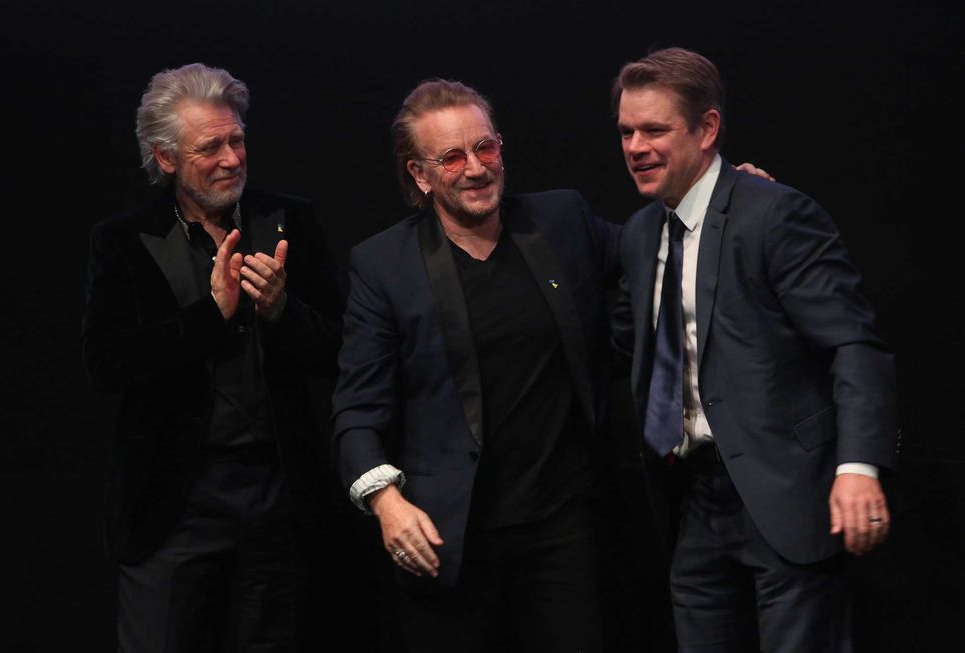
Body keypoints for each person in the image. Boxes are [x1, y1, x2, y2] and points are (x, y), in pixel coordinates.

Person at [611, 47, 898, 651]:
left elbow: (854, 345)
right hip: (691, 500)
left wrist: (858, 467)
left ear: (707, 128)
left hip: (788, 494)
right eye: (627, 131)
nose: (636, 146)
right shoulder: (640, 235)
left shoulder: (773, 214)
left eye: (654, 130)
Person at [331, 78, 617, 652]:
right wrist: (386, 503)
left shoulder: (560, 219)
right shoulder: (385, 265)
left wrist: (728, 196)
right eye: (453, 157)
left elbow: (654, 247)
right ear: (420, 174)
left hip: (562, 532)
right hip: (447, 542)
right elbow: (357, 411)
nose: (476, 168)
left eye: (485, 148)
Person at [82, 62, 342, 651]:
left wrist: (281, 310)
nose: (231, 158)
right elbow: (107, 364)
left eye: (238, 140)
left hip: (277, 495)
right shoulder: (123, 240)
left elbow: (341, 349)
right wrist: (212, 313)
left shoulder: (289, 220)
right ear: (165, 158)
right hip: (175, 504)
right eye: (210, 147)